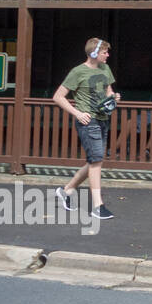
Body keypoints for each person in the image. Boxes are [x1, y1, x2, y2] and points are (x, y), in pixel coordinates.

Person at [53, 37, 119, 220]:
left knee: (94, 161)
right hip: (87, 121)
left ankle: (66, 191)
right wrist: (77, 113)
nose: (108, 55)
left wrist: (113, 98)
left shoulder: (105, 69)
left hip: (103, 119)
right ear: (94, 53)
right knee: (96, 161)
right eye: (105, 52)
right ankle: (98, 206)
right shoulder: (77, 72)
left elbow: (108, 91)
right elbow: (58, 97)